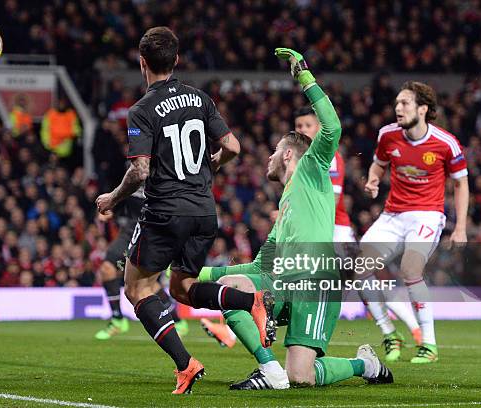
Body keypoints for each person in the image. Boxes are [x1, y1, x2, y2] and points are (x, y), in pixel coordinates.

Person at [198, 47, 393, 390]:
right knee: (229, 288)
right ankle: (269, 369)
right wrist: (195, 272)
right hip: (286, 285)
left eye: (274, 151)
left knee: (301, 377)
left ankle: (366, 364)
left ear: (288, 153)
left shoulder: (312, 167)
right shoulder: (285, 207)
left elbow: (330, 127)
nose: (269, 158)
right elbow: (259, 269)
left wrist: (304, 76)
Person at [95, 27, 275, 394]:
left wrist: (112, 199)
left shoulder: (142, 110)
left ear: (142, 62)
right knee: (182, 287)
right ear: (176, 60)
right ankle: (250, 300)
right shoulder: (199, 97)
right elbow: (234, 146)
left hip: (165, 211)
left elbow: (141, 170)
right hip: (204, 211)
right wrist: (213, 165)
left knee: (137, 288)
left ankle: (186, 364)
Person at [360, 81, 469, 363]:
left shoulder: (446, 143)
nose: (398, 108)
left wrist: (460, 228)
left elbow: (461, 184)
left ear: (422, 109)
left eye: (405, 103)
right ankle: (389, 333)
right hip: (392, 214)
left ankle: (429, 345)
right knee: (357, 267)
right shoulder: (387, 135)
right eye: (397, 103)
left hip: (427, 214)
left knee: (410, 269)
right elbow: (378, 164)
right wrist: (373, 179)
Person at [294, 107, 422, 347]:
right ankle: (395, 332)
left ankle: (412, 329)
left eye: (307, 125)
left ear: (319, 128)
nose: (302, 130)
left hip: (335, 232)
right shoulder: (299, 157)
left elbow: (330, 202)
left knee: (365, 281)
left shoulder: (328, 156)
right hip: (314, 231)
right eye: (298, 126)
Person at [94, 189, 188, 340]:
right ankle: (118, 319)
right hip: (131, 230)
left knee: (145, 283)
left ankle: (177, 320)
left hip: (154, 231)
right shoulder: (134, 169)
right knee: (108, 269)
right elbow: (125, 191)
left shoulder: (166, 172)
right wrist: (111, 206)